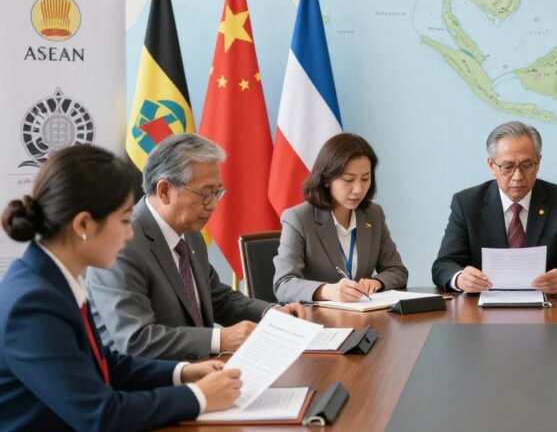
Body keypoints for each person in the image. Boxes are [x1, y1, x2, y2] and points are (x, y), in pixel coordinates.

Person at [0, 145, 242, 430]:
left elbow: (106, 364)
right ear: (84, 224)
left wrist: (184, 372)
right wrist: (199, 396)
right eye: (125, 220)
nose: (130, 234)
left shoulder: (53, 279)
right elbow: (101, 415)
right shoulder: (33, 305)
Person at [86, 134, 306, 361]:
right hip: (147, 385)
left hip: (202, 371)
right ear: (164, 191)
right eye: (205, 194)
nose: (213, 205)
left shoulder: (190, 235)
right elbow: (136, 339)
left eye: (217, 193)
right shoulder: (122, 244)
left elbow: (219, 299)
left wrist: (270, 313)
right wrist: (220, 339)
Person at [432, 121, 557, 294]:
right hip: (481, 311)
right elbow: (443, 265)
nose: (518, 177)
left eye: (527, 165)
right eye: (508, 167)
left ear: (538, 162)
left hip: (548, 310)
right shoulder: (467, 203)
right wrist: (460, 279)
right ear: (491, 165)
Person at [273, 133, 408, 302]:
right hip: (318, 321)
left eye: (365, 179)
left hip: (364, 318)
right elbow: (283, 284)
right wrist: (325, 291)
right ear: (327, 179)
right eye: (348, 180)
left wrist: (377, 282)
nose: (358, 189)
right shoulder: (298, 218)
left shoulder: (373, 214)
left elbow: (397, 270)